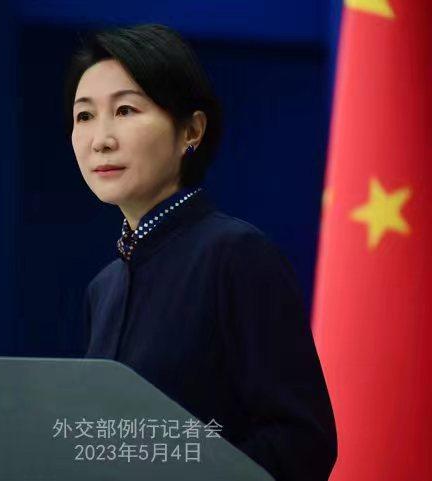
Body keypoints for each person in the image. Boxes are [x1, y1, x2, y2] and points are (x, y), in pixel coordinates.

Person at [63, 23, 337, 481]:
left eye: (126, 110)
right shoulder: (103, 287)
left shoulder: (237, 255)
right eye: (84, 116)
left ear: (191, 130)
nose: (100, 139)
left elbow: (303, 441)